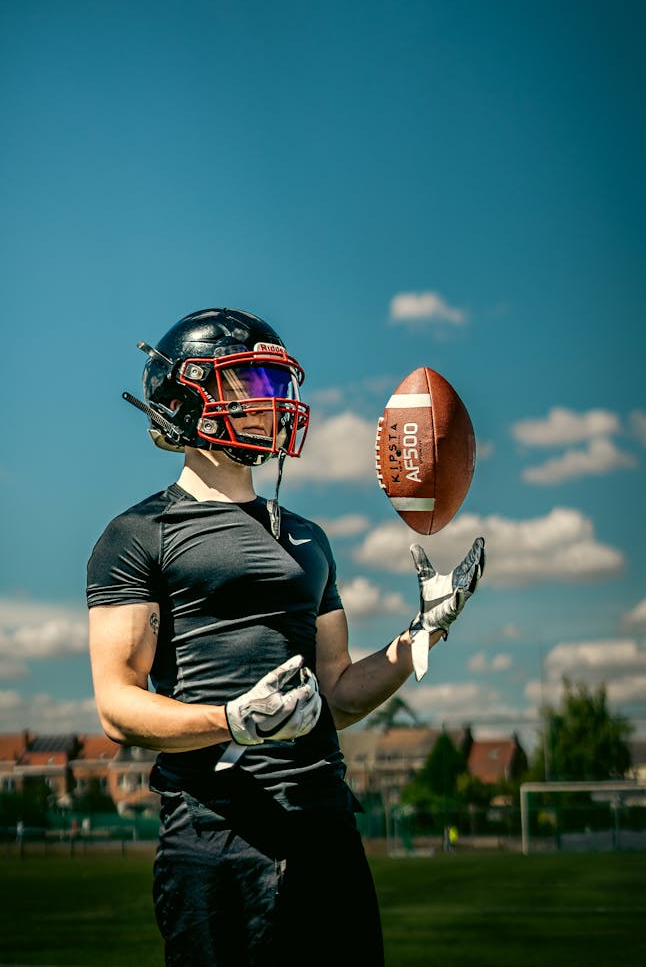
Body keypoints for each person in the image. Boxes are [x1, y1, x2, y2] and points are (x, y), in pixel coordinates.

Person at [86, 307, 485, 966]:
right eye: (258, 383)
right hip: (219, 831)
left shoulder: (308, 538)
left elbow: (341, 693)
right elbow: (116, 704)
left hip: (326, 827)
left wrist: (425, 631)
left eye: (281, 384)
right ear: (191, 393)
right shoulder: (137, 535)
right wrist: (232, 720)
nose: (279, 402)